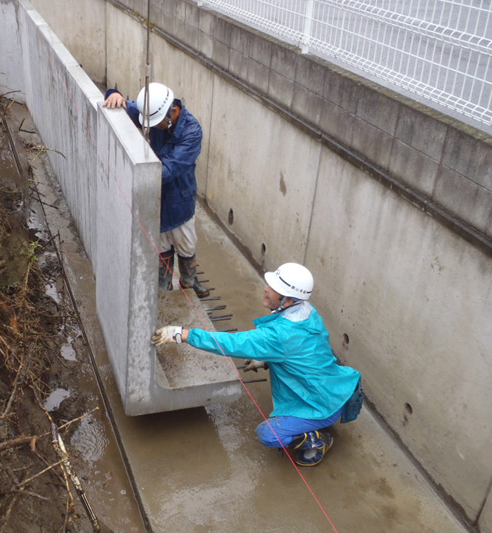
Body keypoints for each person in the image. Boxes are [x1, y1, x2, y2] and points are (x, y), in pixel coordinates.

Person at [151, 263, 363, 467]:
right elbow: (305, 352)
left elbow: (232, 343)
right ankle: (315, 423)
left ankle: (317, 440)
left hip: (321, 403)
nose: (266, 290)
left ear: (288, 300)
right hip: (336, 388)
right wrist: (266, 358)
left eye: (274, 289)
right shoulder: (306, 311)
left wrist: (183, 334)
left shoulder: (280, 335)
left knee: (269, 435)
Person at [103, 82, 209, 297]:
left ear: (174, 112)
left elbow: (170, 169)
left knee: (186, 244)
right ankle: (164, 283)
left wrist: (134, 175)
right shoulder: (154, 111)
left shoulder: (191, 131)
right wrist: (114, 94)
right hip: (155, 196)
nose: (151, 126)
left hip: (179, 199)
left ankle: (190, 280)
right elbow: (129, 107)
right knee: (160, 243)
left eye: (156, 123)